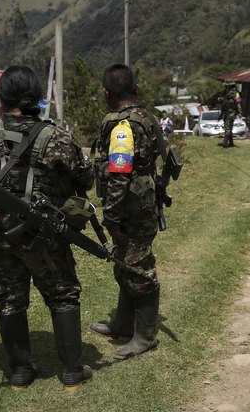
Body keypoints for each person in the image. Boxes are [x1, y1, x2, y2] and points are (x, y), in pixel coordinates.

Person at [0, 65, 94, 391]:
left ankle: (20, 372)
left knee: (10, 299)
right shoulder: (58, 135)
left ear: (2, 96)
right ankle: (71, 371)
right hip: (45, 233)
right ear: (36, 97)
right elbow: (86, 178)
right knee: (63, 295)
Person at [89, 64, 161, 359]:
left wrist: (112, 217)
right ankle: (122, 322)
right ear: (136, 89)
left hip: (131, 210)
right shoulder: (145, 118)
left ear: (107, 93)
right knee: (124, 263)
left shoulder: (121, 127)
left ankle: (145, 336)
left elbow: (119, 175)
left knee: (138, 268)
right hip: (139, 204)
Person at [217, 82, 243, 148]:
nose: (225, 87)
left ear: (230, 86)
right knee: (228, 127)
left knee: (228, 127)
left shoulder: (235, 93)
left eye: (226, 86)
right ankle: (231, 143)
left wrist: (240, 112)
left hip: (231, 113)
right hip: (226, 112)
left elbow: (238, 103)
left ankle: (225, 142)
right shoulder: (226, 93)